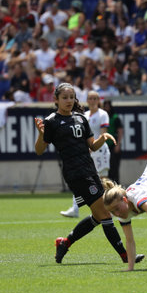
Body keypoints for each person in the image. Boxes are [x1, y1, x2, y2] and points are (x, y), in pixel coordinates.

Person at [34, 83, 144, 264]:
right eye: (64, 98)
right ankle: (126, 256)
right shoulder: (51, 121)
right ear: (56, 100)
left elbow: (92, 146)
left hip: (90, 170)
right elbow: (39, 150)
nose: (69, 101)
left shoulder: (80, 118)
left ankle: (65, 243)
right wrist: (40, 134)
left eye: (72, 97)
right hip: (75, 174)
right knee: (105, 214)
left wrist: (103, 138)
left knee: (98, 216)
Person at [60, 90, 112, 218]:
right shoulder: (84, 115)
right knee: (81, 178)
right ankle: (75, 208)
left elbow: (103, 134)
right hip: (86, 152)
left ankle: (111, 205)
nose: (93, 101)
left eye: (95, 98)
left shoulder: (103, 114)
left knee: (103, 180)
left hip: (99, 151)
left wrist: (91, 147)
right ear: (87, 100)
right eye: (91, 98)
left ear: (98, 100)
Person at [103, 100, 124, 184]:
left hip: (113, 145)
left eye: (108, 106)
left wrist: (118, 144)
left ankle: (116, 184)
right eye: (105, 106)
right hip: (104, 146)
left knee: (114, 167)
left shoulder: (115, 117)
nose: (107, 108)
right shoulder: (103, 117)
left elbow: (120, 131)